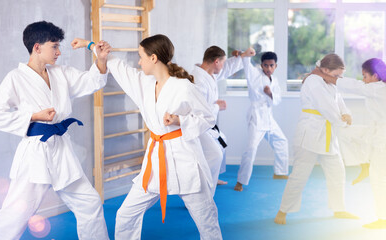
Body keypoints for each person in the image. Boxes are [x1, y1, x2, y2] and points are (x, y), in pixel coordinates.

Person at [72, 35, 222, 240]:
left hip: (184, 157)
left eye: (141, 57)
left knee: (206, 219)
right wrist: (90, 45)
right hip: (156, 160)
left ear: (153, 58)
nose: (138, 62)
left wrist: (180, 120)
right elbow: (117, 65)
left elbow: (208, 117)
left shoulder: (183, 86)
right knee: (126, 214)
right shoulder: (144, 82)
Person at [0, 21, 110, 240]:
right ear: (37, 47)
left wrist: (101, 58)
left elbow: (92, 80)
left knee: (90, 202)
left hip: (61, 149)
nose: (58, 52)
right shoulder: (16, 78)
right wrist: (33, 116)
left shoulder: (60, 74)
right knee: (15, 214)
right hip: (35, 153)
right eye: (54, 46)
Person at [316, 58, 386, 229]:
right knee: (345, 131)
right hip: (379, 133)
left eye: (365, 76)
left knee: (378, 177)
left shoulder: (380, 88)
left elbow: (355, 86)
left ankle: (383, 220)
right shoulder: (377, 87)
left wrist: (329, 76)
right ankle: (364, 163)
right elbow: (358, 85)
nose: (363, 79)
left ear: (375, 76)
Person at [274, 54, 359, 225]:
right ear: (325, 70)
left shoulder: (331, 83)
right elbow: (327, 108)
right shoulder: (313, 81)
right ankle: (283, 211)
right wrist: (344, 123)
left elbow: (339, 102)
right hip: (310, 134)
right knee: (299, 175)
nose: (338, 79)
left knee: (337, 172)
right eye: (336, 75)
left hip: (328, 135)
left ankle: (339, 208)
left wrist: (347, 113)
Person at [191, 45, 254, 195]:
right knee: (215, 154)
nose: (224, 65)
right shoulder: (198, 80)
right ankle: (202, 194)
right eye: (223, 62)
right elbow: (197, 109)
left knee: (222, 143)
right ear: (216, 61)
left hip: (208, 124)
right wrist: (217, 106)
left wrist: (243, 56)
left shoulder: (208, 73)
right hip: (198, 126)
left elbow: (226, 69)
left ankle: (213, 177)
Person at [234, 51, 290, 192]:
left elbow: (277, 99)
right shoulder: (255, 74)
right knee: (251, 148)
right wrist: (242, 54)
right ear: (261, 65)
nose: (268, 68)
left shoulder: (274, 80)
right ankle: (241, 181)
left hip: (268, 117)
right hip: (257, 118)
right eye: (266, 65)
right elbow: (247, 63)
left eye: (271, 65)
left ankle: (280, 172)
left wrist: (270, 93)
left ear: (275, 66)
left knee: (281, 141)